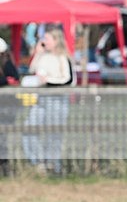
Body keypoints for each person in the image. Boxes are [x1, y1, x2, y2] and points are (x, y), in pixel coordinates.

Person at [22, 27, 73, 174]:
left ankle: (53, 165)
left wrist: (48, 81)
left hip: (56, 99)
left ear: (56, 41)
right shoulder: (42, 55)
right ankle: (37, 162)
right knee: (29, 129)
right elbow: (32, 70)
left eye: (47, 39)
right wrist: (38, 54)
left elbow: (67, 79)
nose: (44, 42)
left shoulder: (62, 57)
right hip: (40, 99)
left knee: (54, 133)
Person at [0, 37, 20, 176]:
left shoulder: (7, 65)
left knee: (2, 140)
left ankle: (6, 169)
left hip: (5, 109)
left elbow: (13, 78)